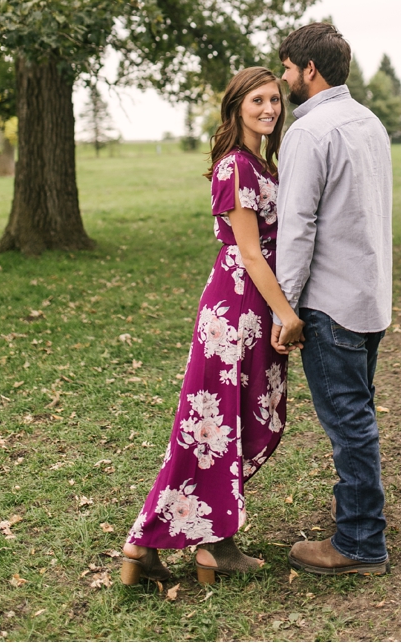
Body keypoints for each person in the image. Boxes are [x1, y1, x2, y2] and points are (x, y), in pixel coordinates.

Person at [117, 67, 299, 589]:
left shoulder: (260, 164)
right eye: (258, 100)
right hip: (238, 309)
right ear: (236, 106)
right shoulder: (236, 169)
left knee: (236, 424)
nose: (270, 109)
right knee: (213, 431)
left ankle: (211, 543)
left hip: (251, 303)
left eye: (275, 100)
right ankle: (149, 541)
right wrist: (286, 313)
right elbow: (248, 251)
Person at [274, 22, 397, 575]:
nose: (283, 79)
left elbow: (297, 225)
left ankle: (359, 542)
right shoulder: (369, 123)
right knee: (359, 415)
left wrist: (287, 307)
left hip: (329, 301)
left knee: (349, 423)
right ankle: (361, 526)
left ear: (310, 70)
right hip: (370, 297)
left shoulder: (310, 132)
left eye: (287, 68)